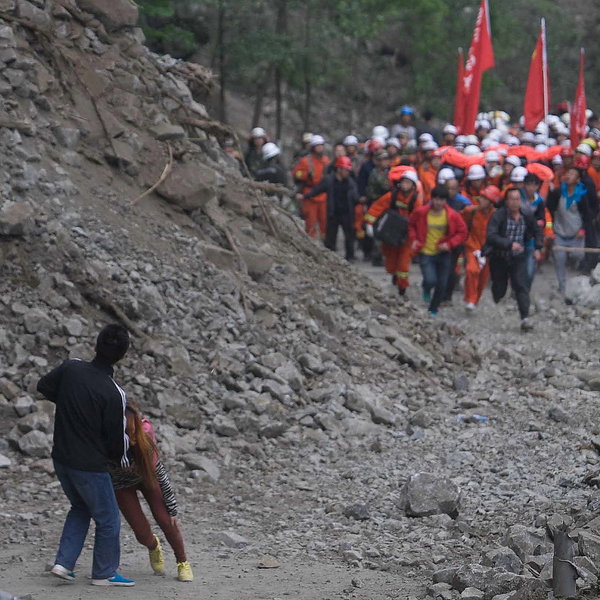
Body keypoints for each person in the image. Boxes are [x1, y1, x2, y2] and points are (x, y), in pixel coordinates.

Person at [37, 325, 135, 587]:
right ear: (122, 355)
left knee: (80, 507)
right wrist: (124, 463)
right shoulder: (114, 393)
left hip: (61, 458)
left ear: (96, 344)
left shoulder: (71, 369)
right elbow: (117, 441)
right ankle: (104, 573)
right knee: (108, 518)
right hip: (90, 466)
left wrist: (71, 404)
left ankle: (63, 564)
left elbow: (43, 385)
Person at [111, 402, 193, 582]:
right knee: (141, 532)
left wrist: (172, 509)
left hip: (147, 478)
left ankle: (182, 562)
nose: (129, 436)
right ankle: (154, 546)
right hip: (122, 485)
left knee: (166, 521)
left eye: (131, 431)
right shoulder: (108, 440)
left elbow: (160, 473)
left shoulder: (145, 437)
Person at [484, 187, 542, 331]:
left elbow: (536, 230)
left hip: (518, 257)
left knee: (521, 286)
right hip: (500, 257)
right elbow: (491, 235)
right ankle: (496, 299)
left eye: (517, 199)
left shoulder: (526, 214)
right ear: (506, 201)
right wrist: (509, 244)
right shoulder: (499, 216)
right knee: (500, 288)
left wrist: (538, 248)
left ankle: (525, 319)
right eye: (512, 199)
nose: (515, 202)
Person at [409, 185, 468, 316]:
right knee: (430, 279)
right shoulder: (422, 212)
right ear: (432, 199)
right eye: (436, 199)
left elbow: (462, 232)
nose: (438, 203)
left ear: (446, 201)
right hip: (426, 251)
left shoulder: (452, 215)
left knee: (442, 282)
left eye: (442, 200)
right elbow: (411, 224)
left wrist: (450, 243)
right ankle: (426, 287)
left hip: (444, 253)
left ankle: (433, 308)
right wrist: (414, 239)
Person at [364, 168, 422, 295]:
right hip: (390, 232)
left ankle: (402, 289)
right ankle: (394, 276)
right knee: (390, 261)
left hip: (407, 236)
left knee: (403, 264)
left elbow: (419, 220)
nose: (405, 185)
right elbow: (376, 208)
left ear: (413, 185)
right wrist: (369, 224)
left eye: (408, 182)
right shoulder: (392, 196)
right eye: (403, 182)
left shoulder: (415, 201)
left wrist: (417, 237)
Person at [546, 161, 595, 293]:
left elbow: (586, 214)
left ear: (577, 179)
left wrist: (583, 229)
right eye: (568, 173)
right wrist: (549, 229)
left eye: (572, 174)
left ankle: (577, 280)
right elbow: (548, 210)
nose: (569, 175)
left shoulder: (581, 195)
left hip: (575, 233)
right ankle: (562, 287)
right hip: (560, 233)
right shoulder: (557, 193)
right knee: (559, 260)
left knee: (578, 255)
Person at [301, 156, 358, 261]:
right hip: (334, 213)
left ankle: (350, 256)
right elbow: (317, 190)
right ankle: (329, 257)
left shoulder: (350, 182)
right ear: (339, 169)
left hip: (347, 213)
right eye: (346, 170)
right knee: (330, 237)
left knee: (349, 236)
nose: (347, 172)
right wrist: (305, 196)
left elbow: (356, 197)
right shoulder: (329, 180)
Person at [463, 185, 499, 310]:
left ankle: (475, 299)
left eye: (485, 198)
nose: (481, 200)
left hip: (488, 250)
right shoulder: (471, 211)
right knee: (472, 270)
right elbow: (459, 221)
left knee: (483, 277)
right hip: (472, 246)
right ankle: (470, 299)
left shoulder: (496, 216)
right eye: (482, 197)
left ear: (491, 202)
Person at [293, 134, 330, 239]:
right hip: (309, 194)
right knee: (310, 223)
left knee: (325, 222)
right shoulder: (305, 161)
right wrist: (305, 175)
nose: (320, 148)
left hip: (323, 196)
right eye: (317, 146)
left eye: (321, 146)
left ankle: (325, 245)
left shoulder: (326, 161)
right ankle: (311, 243)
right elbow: (296, 174)